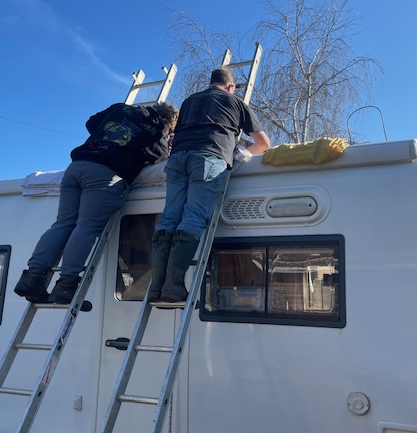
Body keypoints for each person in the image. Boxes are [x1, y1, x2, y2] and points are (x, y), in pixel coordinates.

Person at [14, 101, 179, 305]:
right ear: (165, 121)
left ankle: (32, 278)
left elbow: (91, 123)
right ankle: (66, 286)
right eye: (169, 130)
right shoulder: (155, 134)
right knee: (87, 226)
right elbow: (159, 158)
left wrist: (107, 137)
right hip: (105, 174)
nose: (167, 134)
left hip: (76, 167)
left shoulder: (120, 109)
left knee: (63, 224)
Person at [149, 67, 270, 303]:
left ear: (211, 82)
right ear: (231, 86)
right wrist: (242, 154)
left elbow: (175, 136)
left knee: (169, 217)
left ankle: (156, 287)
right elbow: (263, 143)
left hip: (178, 159)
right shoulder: (235, 102)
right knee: (193, 217)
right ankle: (173, 287)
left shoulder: (189, 101)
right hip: (209, 157)